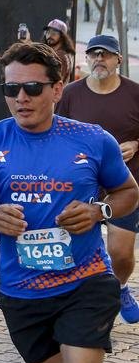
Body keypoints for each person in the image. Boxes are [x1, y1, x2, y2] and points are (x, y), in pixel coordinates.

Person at [0, 42, 138, 363]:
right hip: (21, 292)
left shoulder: (93, 140)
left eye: (32, 88)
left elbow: (128, 192)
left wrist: (98, 212)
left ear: (57, 89)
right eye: (11, 89)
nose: (21, 98)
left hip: (85, 283)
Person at [57, 34, 139, 323]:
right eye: (94, 54)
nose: (99, 59)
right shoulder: (70, 94)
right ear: (87, 58)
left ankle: (120, 286)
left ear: (119, 59)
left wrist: (136, 144)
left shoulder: (134, 93)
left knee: (120, 253)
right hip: (80, 185)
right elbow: (54, 130)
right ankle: (81, 304)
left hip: (123, 185)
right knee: (73, 249)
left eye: (106, 54)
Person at [41, 19, 75, 84]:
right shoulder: (57, 52)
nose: (49, 36)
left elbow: (53, 81)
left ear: (62, 36)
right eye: (48, 32)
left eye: (54, 33)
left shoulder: (60, 56)